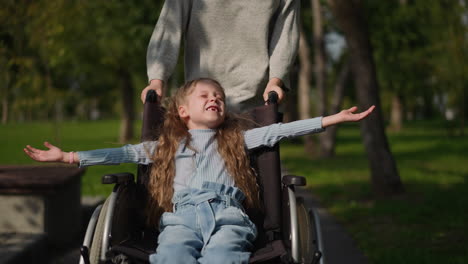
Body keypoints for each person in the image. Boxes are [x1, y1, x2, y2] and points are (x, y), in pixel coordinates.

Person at [24, 78, 374, 264]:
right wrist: (69, 156)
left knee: (223, 255)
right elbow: (122, 152)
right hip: (182, 217)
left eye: (219, 96)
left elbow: (281, 131)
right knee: (174, 254)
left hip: (230, 215)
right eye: (205, 94)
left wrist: (333, 119)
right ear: (182, 111)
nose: (215, 99)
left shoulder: (238, 139)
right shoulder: (164, 147)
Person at [142, 0, 301, 111]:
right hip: (200, 100)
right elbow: (169, 27)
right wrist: (157, 80)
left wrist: (276, 81)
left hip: (256, 101)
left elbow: (286, 35)